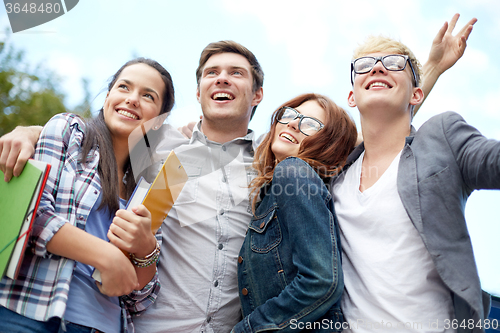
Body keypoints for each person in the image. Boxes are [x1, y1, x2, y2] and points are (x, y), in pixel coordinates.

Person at [0, 14, 476, 332]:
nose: (221, 78)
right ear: (200, 89)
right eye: (211, 73)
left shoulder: (280, 162)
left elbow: (376, 138)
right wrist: (31, 128)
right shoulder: (163, 147)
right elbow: (103, 136)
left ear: (258, 95)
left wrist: (428, 71)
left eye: (236, 73)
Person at [331, 33, 498, 332]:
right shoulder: (337, 174)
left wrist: (431, 67)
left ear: (417, 95)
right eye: (365, 65)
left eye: (393, 64)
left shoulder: (441, 139)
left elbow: (491, 160)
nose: (378, 69)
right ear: (351, 96)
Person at [0, 57, 175, 333]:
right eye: (124, 87)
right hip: (31, 316)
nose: (132, 99)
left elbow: (140, 299)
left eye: (147, 96)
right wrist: (106, 255)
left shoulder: (151, 190)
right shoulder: (69, 131)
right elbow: (31, 216)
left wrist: (145, 250)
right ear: (108, 97)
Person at [233, 93, 357, 332]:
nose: (291, 123)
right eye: (291, 114)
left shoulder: (293, 172)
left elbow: (320, 282)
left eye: (310, 124)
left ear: (330, 144)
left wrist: (246, 329)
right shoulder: (272, 193)